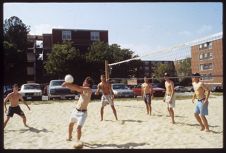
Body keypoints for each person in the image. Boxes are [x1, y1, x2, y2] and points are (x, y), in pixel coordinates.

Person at [62, 76, 93, 143]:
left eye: (85, 82)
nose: (83, 82)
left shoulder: (88, 89)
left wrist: (67, 84)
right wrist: (67, 85)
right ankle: (69, 137)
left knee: (78, 128)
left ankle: (78, 142)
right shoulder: (83, 90)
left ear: (88, 84)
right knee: (70, 124)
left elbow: (78, 88)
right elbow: (75, 89)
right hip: (76, 111)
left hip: (83, 113)